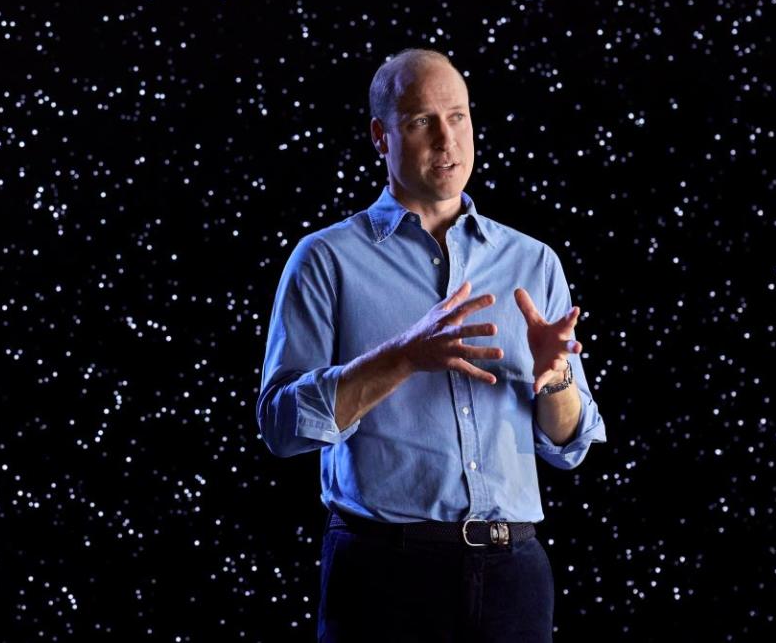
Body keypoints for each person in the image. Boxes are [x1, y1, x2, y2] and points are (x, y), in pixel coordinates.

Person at [256, 47, 608, 642]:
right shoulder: (325, 260)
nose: (447, 138)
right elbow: (281, 426)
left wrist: (557, 382)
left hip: (514, 577)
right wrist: (403, 357)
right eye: (422, 121)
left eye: (459, 117)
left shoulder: (533, 260)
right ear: (381, 136)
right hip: (383, 573)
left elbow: (570, 445)